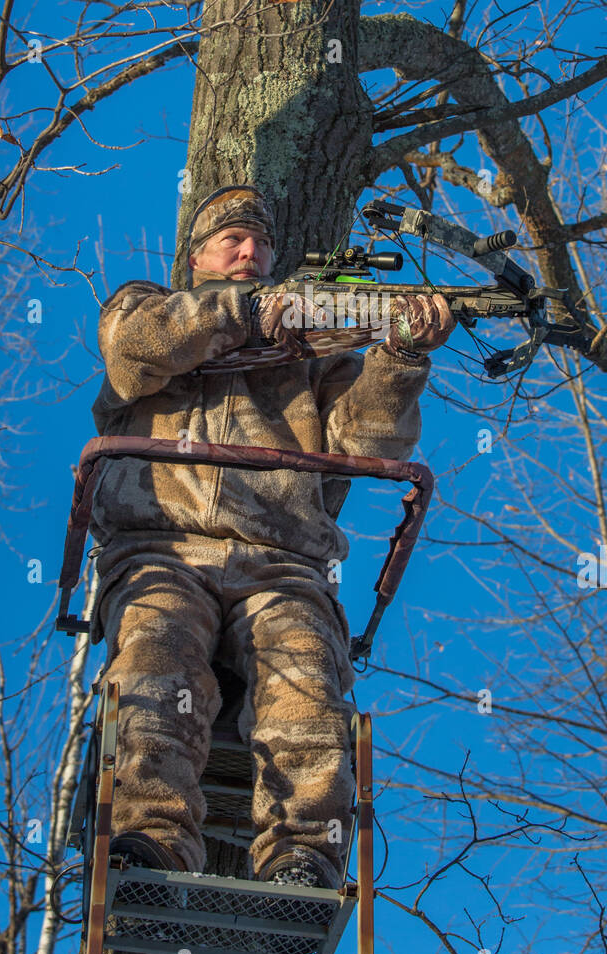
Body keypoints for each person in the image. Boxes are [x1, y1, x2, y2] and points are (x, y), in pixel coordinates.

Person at [88, 184, 455, 892]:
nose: (250, 251)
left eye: (260, 245)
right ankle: (151, 843)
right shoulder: (144, 307)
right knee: (155, 668)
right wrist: (254, 313)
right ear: (195, 258)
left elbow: (365, 442)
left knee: (310, 685)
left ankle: (302, 862)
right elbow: (135, 352)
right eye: (232, 241)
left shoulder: (316, 357)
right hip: (161, 548)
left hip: (282, 563)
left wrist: (400, 358)